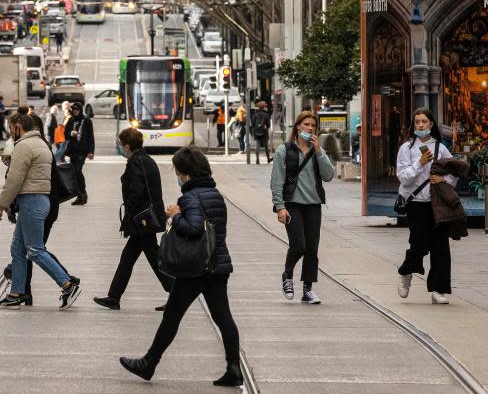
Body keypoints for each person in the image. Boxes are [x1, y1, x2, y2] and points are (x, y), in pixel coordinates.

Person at [119, 147, 242, 387]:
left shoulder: (191, 197)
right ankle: (233, 367)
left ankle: (149, 363)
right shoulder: (214, 193)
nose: (177, 175)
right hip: (217, 265)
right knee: (223, 317)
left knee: (172, 315)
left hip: (196, 268)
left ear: (186, 173)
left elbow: (195, 228)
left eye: (177, 171)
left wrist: (175, 216)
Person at [0, 113, 82, 309]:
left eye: (10, 127)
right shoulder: (41, 143)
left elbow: (14, 179)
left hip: (31, 200)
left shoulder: (24, 146)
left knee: (34, 250)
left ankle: (67, 284)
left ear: (18, 126)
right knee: (18, 249)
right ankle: (17, 293)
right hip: (39, 199)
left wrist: (2, 205)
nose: (9, 132)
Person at [94, 128, 173, 311]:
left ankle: (175, 290)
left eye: (122, 145)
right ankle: (114, 297)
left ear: (128, 145)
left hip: (142, 221)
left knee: (152, 258)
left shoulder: (136, 163)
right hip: (145, 220)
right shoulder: (146, 160)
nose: (121, 148)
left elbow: (136, 193)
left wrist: (129, 216)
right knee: (129, 258)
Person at [271, 111, 335, 304]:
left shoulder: (317, 152)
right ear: (298, 127)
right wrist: (280, 206)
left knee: (312, 249)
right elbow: (276, 181)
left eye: (312, 126)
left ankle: (307, 290)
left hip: (313, 205)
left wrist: (319, 152)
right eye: (306, 125)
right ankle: (287, 275)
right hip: (292, 205)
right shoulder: (285, 150)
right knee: (299, 245)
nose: (310, 128)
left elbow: (329, 175)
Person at [395, 107, 456, 305]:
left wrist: (443, 179)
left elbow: (453, 174)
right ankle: (406, 271)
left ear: (431, 124)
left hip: (437, 204)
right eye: (417, 122)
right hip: (416, 203)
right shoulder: (407, 148)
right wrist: (419, 163)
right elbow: (404, 178)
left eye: (424, 122)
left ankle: (439, 289)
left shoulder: (440, 148)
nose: (420, 125)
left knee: (440, 246)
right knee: (419, 244)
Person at [64, 102, 94, 205]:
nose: (75, 111)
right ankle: (79, 196)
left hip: (83, 150)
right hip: (73, 151)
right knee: (74, 173)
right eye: (74, 109)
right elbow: (65, 134)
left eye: (77, 109)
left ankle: (83, 193)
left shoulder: (87, 120)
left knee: (77, 170)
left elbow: (91, 137)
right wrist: (70, 133)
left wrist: (91, 151)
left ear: (80, 110)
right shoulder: (71, 120)